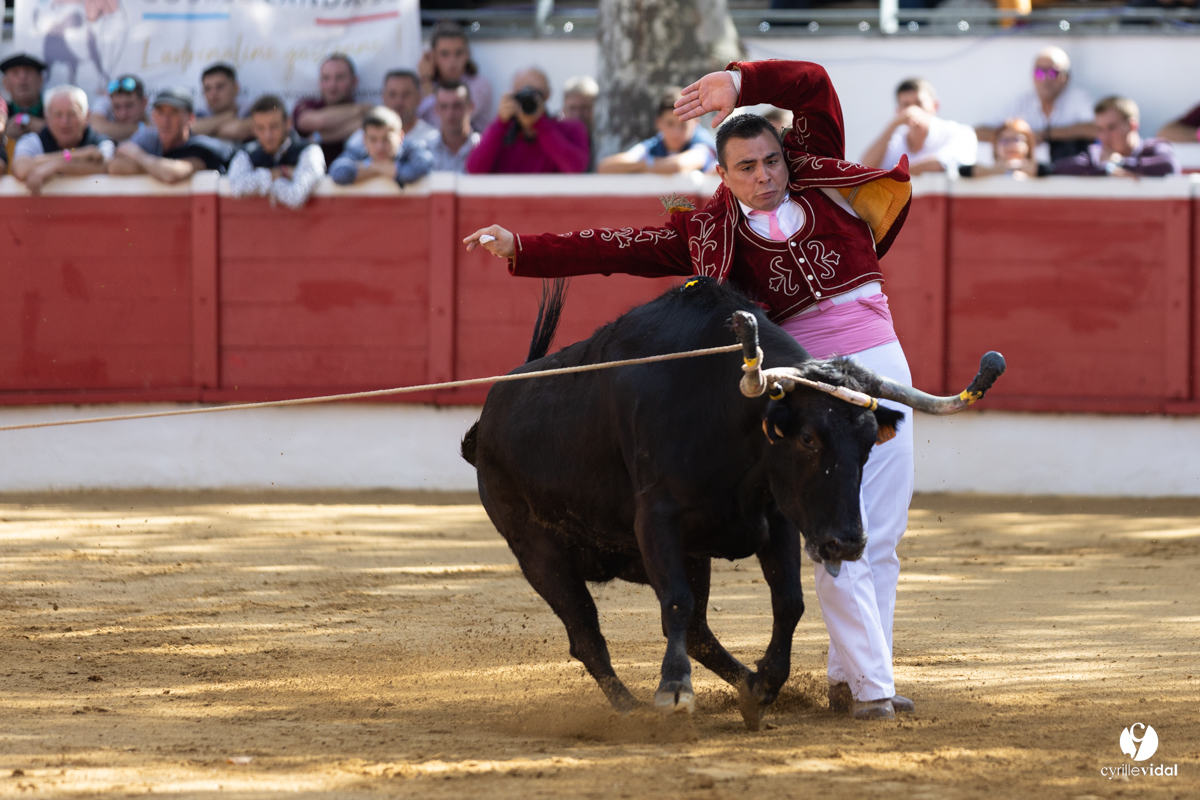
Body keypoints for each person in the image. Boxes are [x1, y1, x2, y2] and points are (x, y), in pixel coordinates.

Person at [463, 59, 917, 721]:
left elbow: (814, 82)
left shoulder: (822, 175)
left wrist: (741, 81)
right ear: (722, 175)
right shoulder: (709, 231)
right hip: (807, 381)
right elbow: (613, 246)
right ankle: (874, 689)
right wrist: (525, 249)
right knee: (835, 530)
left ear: (785, 158)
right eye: (746, 168)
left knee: (884, 537)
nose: (763, 177)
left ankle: (850, 674)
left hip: (880, 362)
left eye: (770, 162)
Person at [976, 47, 1096, 162]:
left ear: (1066, 77)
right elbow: (979, 132)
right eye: (1039, 72)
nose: (1045, 78)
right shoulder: (1021, 103)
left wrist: (1045, 135)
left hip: (1068, 175)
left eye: (1053, 72)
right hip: (1029, 176)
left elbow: (1096, 129)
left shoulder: (1078, 99)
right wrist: (1022, 138)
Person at [465, 67, 589, 175]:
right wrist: (500, 123)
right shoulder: (501, 133)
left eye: (536, 93)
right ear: (512, 95)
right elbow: (474, 170)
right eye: (522, 93)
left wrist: (540, 125)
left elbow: (576, 169)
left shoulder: (570, 129)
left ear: (547, 95)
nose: (528, 99)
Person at [108, 88, 235, 182]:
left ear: (190, 118)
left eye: (173, 113)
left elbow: (170, 174)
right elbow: (115, 166)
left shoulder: (201, 147)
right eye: (160, 112)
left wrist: (136, 154)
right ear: (153, 116)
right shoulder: (150, 138)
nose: (165, 121)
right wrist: (154, 168)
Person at [228, 94, 326, 209]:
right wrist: (281, 172)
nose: (267, 135)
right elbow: (237, 187)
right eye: (261, 128)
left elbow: (295, 196)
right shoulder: (246, 153)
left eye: (274, 127)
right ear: (253, 129)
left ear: (288, 123)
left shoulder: (310, 151)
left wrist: (259, 181)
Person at [862, 77, 976, 176]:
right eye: (906, 105)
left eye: (919, 103)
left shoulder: (959, 132)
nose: (912, 110)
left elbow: (940, 164)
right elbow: (865, 169)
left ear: (935, 106)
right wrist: (892, 125)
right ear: (898, 111)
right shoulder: (895, 138)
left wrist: (893, 174)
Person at [11, 85, 113, 193]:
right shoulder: (32, 141)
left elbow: (106, 167)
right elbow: (22, 169)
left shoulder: (103, 142)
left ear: (86, 116)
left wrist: (58, 166)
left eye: (72, 114)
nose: (64, 122)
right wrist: (80, 155)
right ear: (47, 117)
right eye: (57, 114)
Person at [598, 87, 716, 174]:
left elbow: (678, 165)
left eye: (683, 125)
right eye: (670, 124)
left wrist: (641, 167)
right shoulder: (652, 146)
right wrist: (651, 165)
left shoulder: (703, 140)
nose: (676, 132)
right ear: (659, 123)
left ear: (695, 123)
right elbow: (605, 167)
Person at [1052, 96, 1178, 177]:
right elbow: (1060, 168)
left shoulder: (1154, 147)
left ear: (1132, 126)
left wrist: (1118, 163)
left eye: (1111, 128)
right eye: (1100, 129)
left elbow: (1169, 165)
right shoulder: (1097, 155)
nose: (1104, 136)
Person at [293, 53, 372, 164]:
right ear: (320, 82)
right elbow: (315, 122)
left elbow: (369, 127)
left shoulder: (368, 113)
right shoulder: (307, 105)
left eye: (340, 78)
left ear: (354, 81)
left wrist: (320, 136)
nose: (332, 85)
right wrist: (358, 110)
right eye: (326, 78)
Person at [328, 106, 433, 187]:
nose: (380, 147)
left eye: (386, 139)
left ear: (401, 137)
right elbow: (338, 173)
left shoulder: (414, 149)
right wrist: (376, 167)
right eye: (373, 139)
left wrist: (365, 169)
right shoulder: (358, 151)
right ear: (364, 139)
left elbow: (408, 174)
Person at [417, 21, 494, 132]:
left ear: (467, 54)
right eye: (445, 54)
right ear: (432, 56)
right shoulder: (419, 86)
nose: (452, 61)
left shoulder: (480, 85)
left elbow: (444, 123)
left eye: (458, 53)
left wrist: (426, 81)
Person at [959, 118, 1049, 179]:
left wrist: (1014, 166)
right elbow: (964, 171)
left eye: (1017, 140)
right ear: (995, 146)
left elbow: (1045, 170)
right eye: (1004, 140)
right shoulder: (987, 172)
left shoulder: (1039, 170)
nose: (1010, 145)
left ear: (1028, 144)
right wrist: (1001, 169)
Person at [2, 53, 47, 164]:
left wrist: (49, 131)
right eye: (15, 73)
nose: (22, 78)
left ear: (40, 80)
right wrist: (3, 135)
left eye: (28, 72)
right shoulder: (2, 113)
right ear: (5, 84)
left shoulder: (54, 110)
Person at [193, 63, 253, 143]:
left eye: (220, 87)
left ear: (236, 88)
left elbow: (240, 130)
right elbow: (190, 129)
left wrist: (208, 129)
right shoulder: (199, 114)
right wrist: (227, 116)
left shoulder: (251, 112)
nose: (213, 93)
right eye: (207, 89)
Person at [428, 82, 480, 173]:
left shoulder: (482, 146)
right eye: (444, 106)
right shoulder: (425, 149)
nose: (450, 113)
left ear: (471, 107)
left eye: (457, 106)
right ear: (436, 110)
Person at [88, 74, 149, 143]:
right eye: (117, 107)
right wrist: (142, 128)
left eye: (129, 106)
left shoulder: (156, 115)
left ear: (144, 102)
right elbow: (96, 129)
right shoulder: (149, 128)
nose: (123, 113)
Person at [561, 76, 598, 171]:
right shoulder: (556, 138)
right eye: (572, 108)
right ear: (563, 110)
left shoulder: (608, 140)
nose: (578, 115)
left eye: (585, 108)